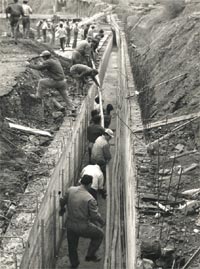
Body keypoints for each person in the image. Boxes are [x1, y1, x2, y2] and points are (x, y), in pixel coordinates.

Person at [59, 175, 104, 268]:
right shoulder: (90, 198)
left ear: (81, 181)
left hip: (70, 225)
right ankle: (90, 255)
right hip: (83, 226)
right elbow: (94, 215)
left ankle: (74, 264)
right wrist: (102, 222)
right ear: (89, 184)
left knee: (72, 246)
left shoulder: (70, 190)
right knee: (100, 234)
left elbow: (62, 201)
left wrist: (62, 208)